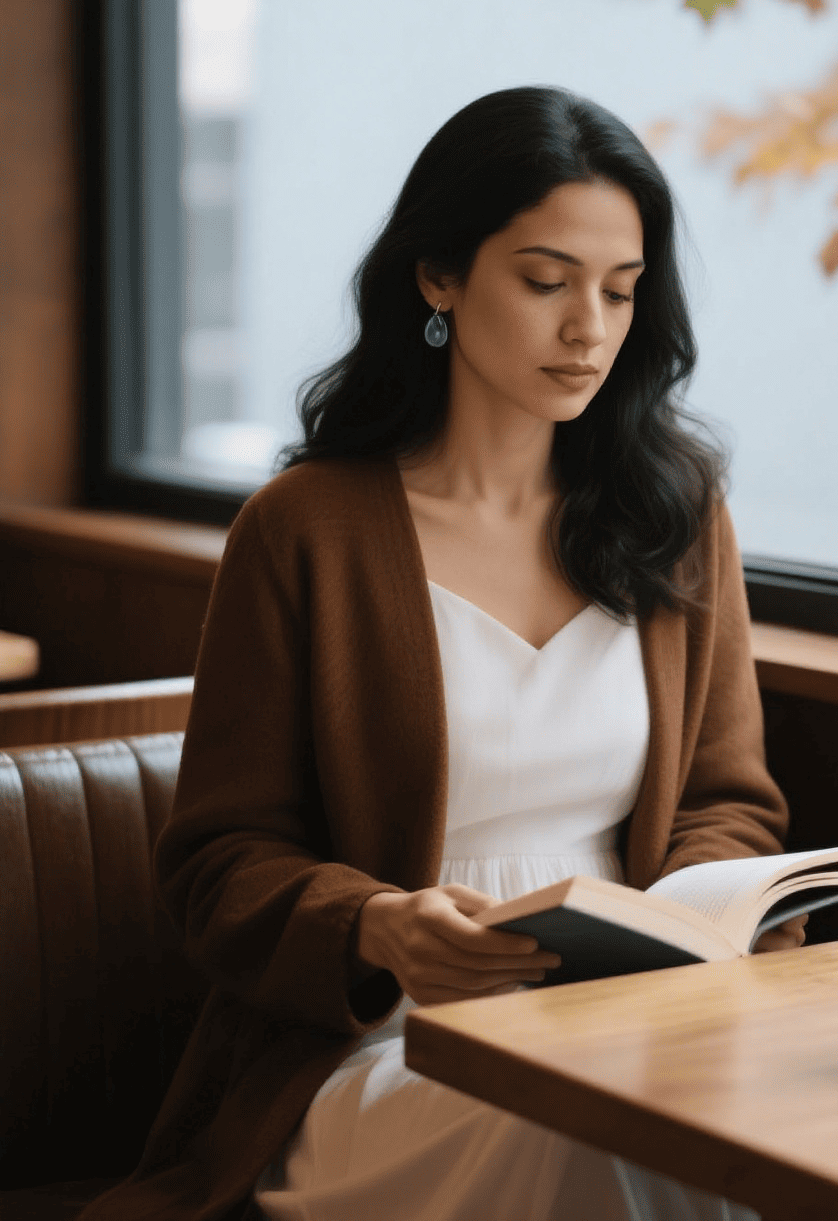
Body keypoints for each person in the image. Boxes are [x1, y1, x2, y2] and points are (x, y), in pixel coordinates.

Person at [82, 86, 799, 1221]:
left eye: (620, 291)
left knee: (742, 1124)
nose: (589, 330)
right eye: (545, 279)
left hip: (632, 1019)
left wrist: (687, 923)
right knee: (583, 1129)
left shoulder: (673, 511)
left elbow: (729, 803)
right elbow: (220, 858)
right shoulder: (305, 528)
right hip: (380, 1041)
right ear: (438, 277)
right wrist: (374, 925)